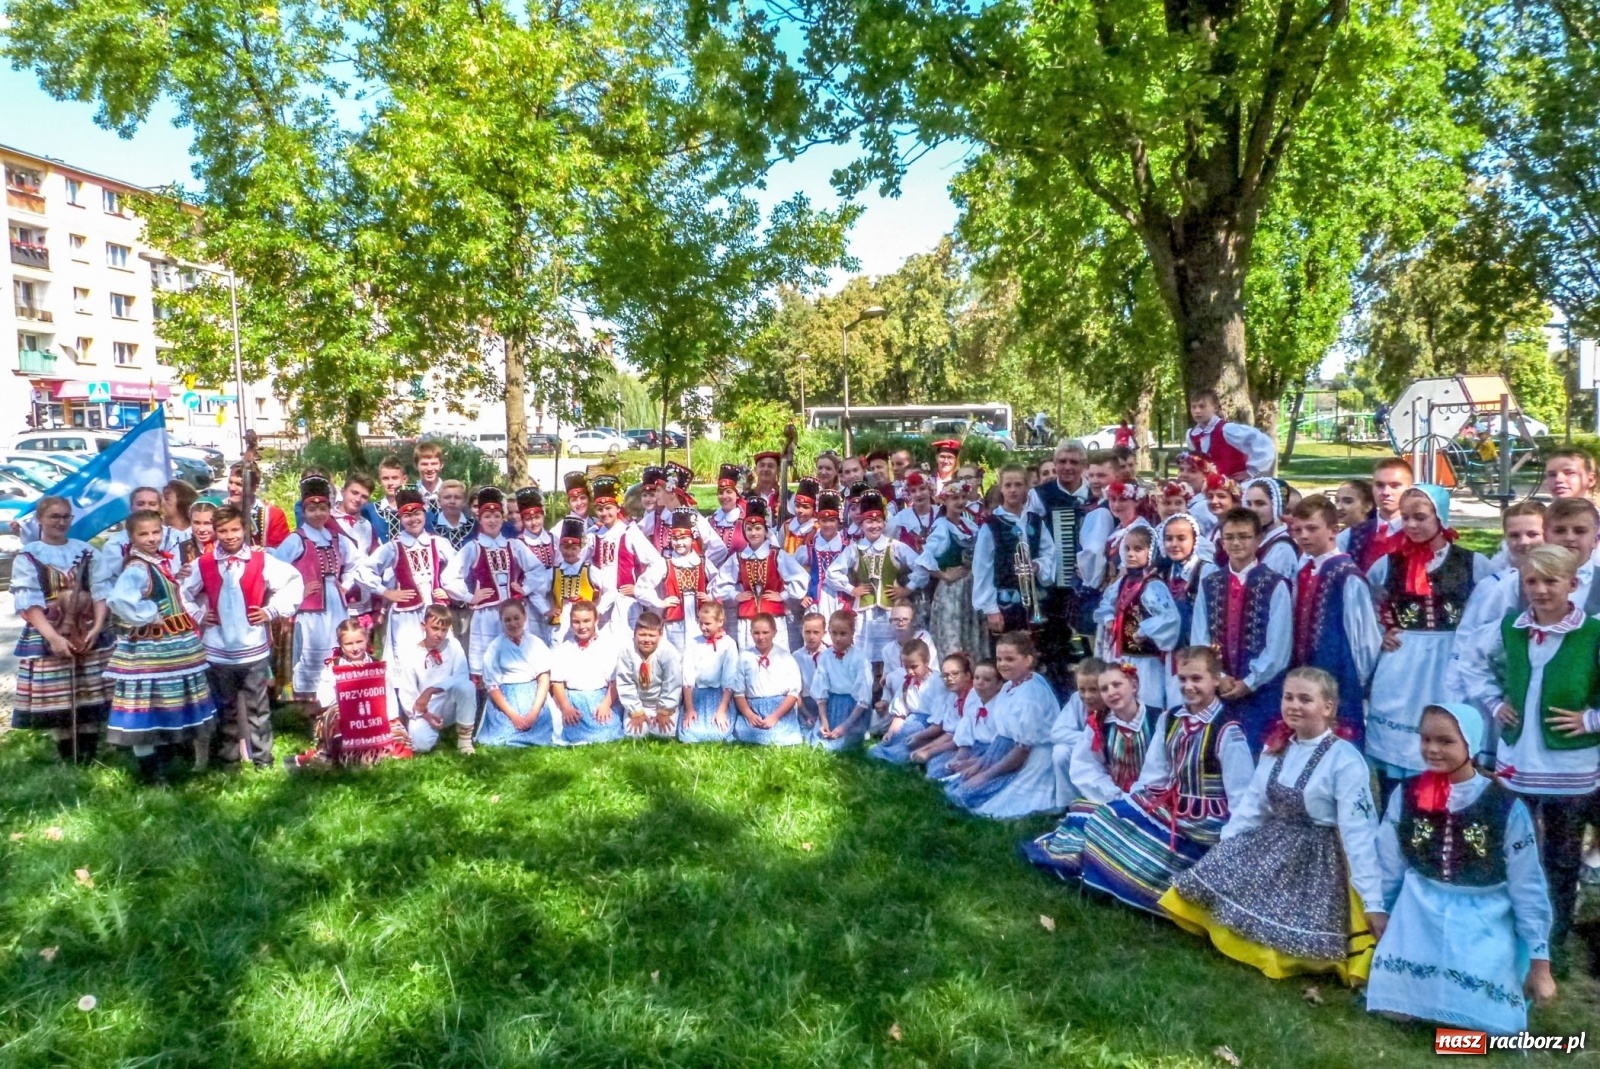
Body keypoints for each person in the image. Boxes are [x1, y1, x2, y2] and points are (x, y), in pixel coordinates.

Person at [1160, 668, 1383, 984]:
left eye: (1305, 699)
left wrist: (1373, 901)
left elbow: (1358, 833)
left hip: (1320, 857)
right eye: (1288, 697)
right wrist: (1227, 846)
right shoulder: (1276, 747)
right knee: (1216, 878)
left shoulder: (1344, 760)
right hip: (1275, 838)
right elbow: (1254, 804)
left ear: (1328, 707)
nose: (1294, 706)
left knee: (1291, 921)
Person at [1366, 704, 1556, 1035]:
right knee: (1395, 1011)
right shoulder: (1407, 794)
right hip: (1418, 912)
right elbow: (1388, 859)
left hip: (1483, 919)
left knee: (1477, 1032)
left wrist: (1540, 964)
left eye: (1445, 741)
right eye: (1425, 739)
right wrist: (1378, 907)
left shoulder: (1504, 806)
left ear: (1472, 744)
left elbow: (1527, 885)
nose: (1432, 749)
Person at [1469, 544, 1600, 973]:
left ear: (1572, 584)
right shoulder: (1511, 628)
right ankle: (1509, 933)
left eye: (1551, 581)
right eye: (1532, 581)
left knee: (1561, 858)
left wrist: (1590, 719)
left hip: (1570, 770)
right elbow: (1471, 660)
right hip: (1518, 763)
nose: (1541, 590)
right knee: (1514, 849)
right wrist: (1493, 702)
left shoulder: (1593, 633)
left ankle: (1552, 944)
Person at [1077, 646, 1255, 913]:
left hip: (1206, 822)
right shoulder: (1170, 719)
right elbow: (1154, 773)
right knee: (1105, 817)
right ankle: (1120, 878)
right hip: (1170, 808)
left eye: (1196, 679)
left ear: (1215, 680)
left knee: (1150, 857)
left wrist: (1231, 841)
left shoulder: (1227, 730)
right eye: (1183, 679)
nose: (1188, 686)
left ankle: (1139, 885)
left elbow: (1241, 794)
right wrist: (1132, 805)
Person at [1365, 485, 1490, 803]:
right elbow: (1364, 607)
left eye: (1420, 517)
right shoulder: (1387, 565)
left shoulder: (1473, 563)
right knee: (1399, 743)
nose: (1411, 524)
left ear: (1441, 517)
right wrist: (1381, 632)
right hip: (1403, 664)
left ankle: (1451, 810)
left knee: (1449, 729)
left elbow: (1491, 611)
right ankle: (1398, 810)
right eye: (1405, 517)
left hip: (1451, 659)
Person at [183, 504, 304, 770]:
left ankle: (263, 760)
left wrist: (271, 610)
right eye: (223, 531)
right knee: (225, 708)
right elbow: (181, 590)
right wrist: (198, 614)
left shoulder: (261, 561)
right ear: (216, 532)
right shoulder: (204, 564)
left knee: (258, 707)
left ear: (244, 529)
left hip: (253, 648)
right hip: (218, 648)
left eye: (234, 530)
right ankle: (229, 761)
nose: (230, 536)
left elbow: (293, 581)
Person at [102, 509, 218, 782]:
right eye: (144, 534)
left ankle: (165, 762)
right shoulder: (137, 567)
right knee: (146, 705)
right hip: (152, 649)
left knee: (166, 701)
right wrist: (149, 613)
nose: (151, 538)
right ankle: (151, 772)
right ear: (131, 537)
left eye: (156, 532)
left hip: (173, 646)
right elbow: (120, 600)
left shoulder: (155, 562)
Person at [1021, 661, 1160, 880]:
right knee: (1083, 817)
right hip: (1114, 797)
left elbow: (1163, 769)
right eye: (1105, 689)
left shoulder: (1159, 720)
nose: (1111, 692)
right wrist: (1112, 794)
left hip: (1154, 800)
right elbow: (1085, 766)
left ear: (1134, 685)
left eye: (1117, 685)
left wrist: (1138, 797)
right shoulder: (1099, 724)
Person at [10, 495, 115, 762]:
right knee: (59, 699)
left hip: (87, 628)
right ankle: (69, 759)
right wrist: (53, 637)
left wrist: (97, 627)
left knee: (89, 693)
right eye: (54, 517)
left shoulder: (86, 550)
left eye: (66, 517)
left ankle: (89, 757)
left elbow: (101, 591)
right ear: (40, 519)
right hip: (49, 630)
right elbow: (29, 602)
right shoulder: (29, 555)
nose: (61, 522)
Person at [1188, 508, 1291, 753]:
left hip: (1262, 691)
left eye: (1244, 536)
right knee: (1219, 751)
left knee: (1260, 751)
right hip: (1218, 690)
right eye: (1230, 537)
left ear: (1258, 539)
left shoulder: (1275, 584)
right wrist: (1220, 677)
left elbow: (1279, 646)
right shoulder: (1210, 583)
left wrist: (1250, 681)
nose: (1236, 543)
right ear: (1222, 541)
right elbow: (1200, 637)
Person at [1286, 495, 1382, 746]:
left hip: (1339, 681)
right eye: (1298, 530)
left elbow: (1365, 639)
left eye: (1312, 528)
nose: (1304, 536)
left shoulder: (1347, 576)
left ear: (1333, 530)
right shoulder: (1304, 571)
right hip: (1304, 677)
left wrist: (1357, 683)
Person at [947, 630, 1063, 818]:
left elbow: (1023, 748)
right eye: (999, 659)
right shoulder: (1010, 685)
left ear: (1028, 660)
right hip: (1003, 751)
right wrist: (979, 763)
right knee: (955, 789)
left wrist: (986, 775)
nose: (1002, 664)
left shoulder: (1030, 696)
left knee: (968, 796)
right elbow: (1004, 736)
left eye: (1010, 659)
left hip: (1028, 757)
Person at [271, 476, 359, 701]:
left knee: (336, 642)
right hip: (309, 609)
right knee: (311, 648)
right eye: (312, 509)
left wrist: (345, 585)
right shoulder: (296, 540)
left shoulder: (337, 539)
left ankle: (336, 695)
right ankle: (308, 697)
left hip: (335, 603)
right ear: (304, 511)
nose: (318, 513)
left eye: (322, 508)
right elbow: (275, 569)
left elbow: (356, 563)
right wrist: (297, 590)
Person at [440, 486, 542, 679]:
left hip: (512, 612)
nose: (492, 521)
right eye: (487, 516)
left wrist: (525, 588)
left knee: (517, 659)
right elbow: (448, 577)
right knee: (487, 663)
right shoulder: (473, 547)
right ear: (480, 519)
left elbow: (537, 569)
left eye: (496, 516)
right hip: (486, 615)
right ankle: (487, 693)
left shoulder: (513, 545)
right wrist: (469, 597)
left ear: (503, 518)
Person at [286, 619, 412, 769]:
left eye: (359, 642)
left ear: (366, 639)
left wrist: (389, 721)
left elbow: (388, 698)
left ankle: (372, 751)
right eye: (349, 644)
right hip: (346, 719)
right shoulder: (334, 667)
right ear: (341, 644)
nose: (355, 648)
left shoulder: (376, 665)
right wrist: (346, 676)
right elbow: (325, 700)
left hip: (374, 719)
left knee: (400, 747)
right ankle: (349, 754)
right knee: (338, 727)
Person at [826, 491, 924, 669]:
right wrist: (851, 589)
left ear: (884, 523)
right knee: (864, 657)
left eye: (878, 521)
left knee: (892, 655)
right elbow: (832, 572)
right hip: (865, 615)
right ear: (862, 524)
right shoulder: (854, 549)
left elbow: (921, 566)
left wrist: (907, 589)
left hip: (890, 612)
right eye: (869, 522)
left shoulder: (895, 546)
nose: (874, 526)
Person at [355, 489, 455, 658]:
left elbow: (459, 568)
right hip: (406, 615)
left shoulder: (438, 543)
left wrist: (449, 590)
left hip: (435, 609)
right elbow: (362, 572)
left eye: (417, 513)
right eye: (407, 516)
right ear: (400, 518)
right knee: (408, 655)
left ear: (424, 513)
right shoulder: (393, 547)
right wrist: (385, 592)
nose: (413, 519)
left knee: (441, 654)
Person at [1093, 527, 1181, 710]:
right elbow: (1106, 603)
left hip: (1146, 661)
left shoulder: (1153, 585)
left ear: (1151, 551)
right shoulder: (1123, 582)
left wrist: (1144, 630)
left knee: (1146, 702)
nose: (1131, 554)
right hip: (1121, 657)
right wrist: (1109, 618)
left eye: (1138, 549)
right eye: (1127, 549)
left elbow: (1169, 618)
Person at [972, 465, 1057, 642]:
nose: (1013, 490)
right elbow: (982, 567)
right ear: (1001, 488)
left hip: (1035, 600)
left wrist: (1038, 565)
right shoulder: (992, 524)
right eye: (1008, 485)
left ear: (1027, 487)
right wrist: (990, 609)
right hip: (1005, 602)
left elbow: (1049, 553)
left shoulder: (1035, 520)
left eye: (1018, 485)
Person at [717, 496, 806, 651]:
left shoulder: (777, 555)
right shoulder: (739, 557)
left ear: (765, 531)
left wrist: (783, 595)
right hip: (747, 618)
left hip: (773, 616)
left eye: (758, 528)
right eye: (749, 529)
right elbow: (720, 582)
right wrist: (735, 595)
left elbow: (801, 577)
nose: (753, 533)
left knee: (775, 654)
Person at [916, 478, 987, 663]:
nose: (960, 502)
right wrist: (944, 575)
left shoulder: (969, 524)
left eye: (963, 497)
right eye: (955, 498)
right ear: (944, 500)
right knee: (953, 638)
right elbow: (924, 558)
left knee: (971, 639)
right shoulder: (941, 526)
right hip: (952, 591)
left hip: (972, 589)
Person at [394, 604, 477, 754]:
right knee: (420, 744)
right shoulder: (411, 653)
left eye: (444, 630)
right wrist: (425, 714)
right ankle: (434, 731)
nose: (439, 634)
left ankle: (465, 740)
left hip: (450, 701)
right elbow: (407, 694)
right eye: (435, 628)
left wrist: (432, 689)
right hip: (426, 707)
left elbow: (461, 676)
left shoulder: (453, 645)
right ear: (423, 626)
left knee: (467, 686)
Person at [589, 475, 665, 637]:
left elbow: (657, 563)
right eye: (600, 509)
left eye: (609, 508)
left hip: (624, 604)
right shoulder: (594, 535)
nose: (604, 513)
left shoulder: (629, 531)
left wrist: (639, 588)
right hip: (600, 604)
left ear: (618, 507)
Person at [1152, 514, 1216, 707]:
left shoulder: (1206, 571)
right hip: (1170, 652)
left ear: (1195, 540)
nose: (1174, 544)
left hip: (1197, 648)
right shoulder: (1163, 573)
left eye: (1181, 538)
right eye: (1169, 538)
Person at [476, 599, 556, 747]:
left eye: (516, 618)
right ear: (501, 621)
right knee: (503, 734)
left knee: (541, 728)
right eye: (507, 620)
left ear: (524, 617)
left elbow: (544, 678)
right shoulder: (495, 647)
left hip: (533, 696)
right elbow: (492, 686)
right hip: (506, 700)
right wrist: (513, 716)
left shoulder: (535, 643)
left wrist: (534, 712)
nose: (513, 623)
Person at [548, 600, 620, 745]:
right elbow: (557, 682)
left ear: (596, 620)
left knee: (607, 733)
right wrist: (565, 708)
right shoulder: (563, 650)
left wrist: (606, 704)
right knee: (571, 732)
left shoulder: (608, 647)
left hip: (600, 700)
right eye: (576, 622)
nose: (582, 627)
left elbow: (615, 682)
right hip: (573, 701)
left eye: (587, 621)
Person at [645, 507, 715, 653]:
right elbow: (643, 586)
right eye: (675, 538)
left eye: (683, 538)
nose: (679, 543)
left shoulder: (702, 562)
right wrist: (660, 603)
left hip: (699, 621)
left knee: (699, 655)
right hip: (675, 624)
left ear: (692, 538)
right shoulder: (665, 563)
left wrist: (711, 596)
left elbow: (719, 580)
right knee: (676, 657)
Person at [807, 609, 874, 751]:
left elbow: (863, 697)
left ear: (852, 633)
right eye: (834, 633)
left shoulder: (860, 658)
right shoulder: (825, 657)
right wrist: (824, 720)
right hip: (832, 705)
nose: (838, 638)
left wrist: (846, 725)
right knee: (820, 741)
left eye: (843, 634)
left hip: (853, 708)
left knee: (843, 743)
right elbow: (821, 689)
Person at [733, 613, 805, 745]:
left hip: (779, 710)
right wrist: (749, 715)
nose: (761, 637)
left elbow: (793, 693)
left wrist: (775, 716)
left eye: (765, 632)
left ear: (774, 632)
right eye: (756, 633)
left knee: (779, 736)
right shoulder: (744, 658)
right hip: (754, 708)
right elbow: (739, 693)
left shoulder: (785, 657)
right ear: (751, 633)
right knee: (747, 733)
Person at [868, 638, 944, 762]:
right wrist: (891, 732)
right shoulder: (907, 684)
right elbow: (900, 714)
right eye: (906, 667)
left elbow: (939, 721)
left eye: (914, 667)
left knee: (906, 746)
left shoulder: (937, 683)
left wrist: (920, 734)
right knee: (896, 738)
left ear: (926, 661)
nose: (910, 672)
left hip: (929, 728)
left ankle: (894, 755)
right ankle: (884, 751)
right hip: (911, 722)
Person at [931, 658, 1004, 782]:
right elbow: (966, 736)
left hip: (991, 753)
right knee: (936, 768)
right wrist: (958, 758)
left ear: (999, 684)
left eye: (987, 680)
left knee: (963, 780)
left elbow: (1000, 748)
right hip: (974, 748)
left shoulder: (1001, 708)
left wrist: (970, 762)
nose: (980, 683)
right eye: (977, 678)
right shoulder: (973, 702)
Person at [615, 611, 683, 739]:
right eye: (642, 635)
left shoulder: (668, 652)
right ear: (634, 633)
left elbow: (672, 683)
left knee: (664, 734)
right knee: (634, 734)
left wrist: (664, 711)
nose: (647, 640)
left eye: (652, 635)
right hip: (639, 702)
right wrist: (636, 711)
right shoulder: (627, 650)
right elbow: (625, 682)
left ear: (660, 634)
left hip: (661, 702)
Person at [679, 602, 741, 744]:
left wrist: (722, 709)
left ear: (720, 622)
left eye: (707, 623)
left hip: (719, 696)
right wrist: (689, 708)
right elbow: (688, 676)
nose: (703, 627)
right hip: (697, 696)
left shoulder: (729, 644)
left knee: (718, 732)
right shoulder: (693, 643)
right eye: (700, 623)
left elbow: (730, 678)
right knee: (690, 732)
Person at [1339, 457, 1412, 570]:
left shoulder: (1418, 534)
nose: (1386, 492)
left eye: (1395, 486)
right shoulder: (1349, 536)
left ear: (1410, 489)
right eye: (1379, 485)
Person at [548, 516, 613, 642]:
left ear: (580, 549)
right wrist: (546, 610)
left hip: (585, 625)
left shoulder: (590, 570)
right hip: (560, 626)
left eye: (574, 548)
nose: (569, 552)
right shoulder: (553, 572)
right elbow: (536, 591)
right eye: (565, 548)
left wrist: (598, 610)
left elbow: (611, 590)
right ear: (560, 548)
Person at [1186, 389, 1276, 480]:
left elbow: (1263, 443)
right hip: (1208, 484)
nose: (1197, 411)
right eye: (1193, 407)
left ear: (1215, 408)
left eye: (1202, 406)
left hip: (1236, 484)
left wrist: (1251, 471)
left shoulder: (1227, 430)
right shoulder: (1192, 435)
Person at [513, 487, 557, 642]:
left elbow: (560, 567)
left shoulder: (553, 539)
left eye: (537, 517)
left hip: (552, 597)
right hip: (530, 601)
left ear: (543, 515)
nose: (534, 523)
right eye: (528, 519)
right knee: (532, 639)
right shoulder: (519, 543)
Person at [1241, 477, 1297, 580]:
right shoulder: (1259, 539)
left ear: (1276, 507)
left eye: (1260, 503)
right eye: (1249, 504)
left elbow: (1267, 586)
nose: (1253, 510)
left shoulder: (1281, 549)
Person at [226, 463, 291, 549]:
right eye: (230, 482)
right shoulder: (219, 511)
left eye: (239, 484)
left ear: (254, 488)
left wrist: (263, 552)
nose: (232, 488)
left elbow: (284, 550)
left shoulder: (273, 515)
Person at [793, 611, 829, 731]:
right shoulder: (796, 657)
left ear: (824, 633)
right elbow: (795, 691)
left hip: (828, 702)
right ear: (802, 632)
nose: (811, 636)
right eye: (807, 632)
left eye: (816, 632)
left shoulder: (830, 654)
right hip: (806, 703)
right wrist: (806, 713)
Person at [889, 472, 936, 555]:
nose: (918, 494)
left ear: (929, 490)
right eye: (913, 491)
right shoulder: (902, 517)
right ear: (909, 494)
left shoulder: (940, 512)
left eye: (922, 489)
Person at [426, 480, 476, 550]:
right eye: (447, 497)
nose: (452, 501)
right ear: (439, 501)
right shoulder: (429, 527)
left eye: (457, 497)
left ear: (464, 501)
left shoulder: (475, 526)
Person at [413, 440, 446, 512]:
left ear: (441, 465)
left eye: (434, 464)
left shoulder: (451, 493)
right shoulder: (411, 495)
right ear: (416, 465)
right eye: (424, 464)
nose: (429, 469)